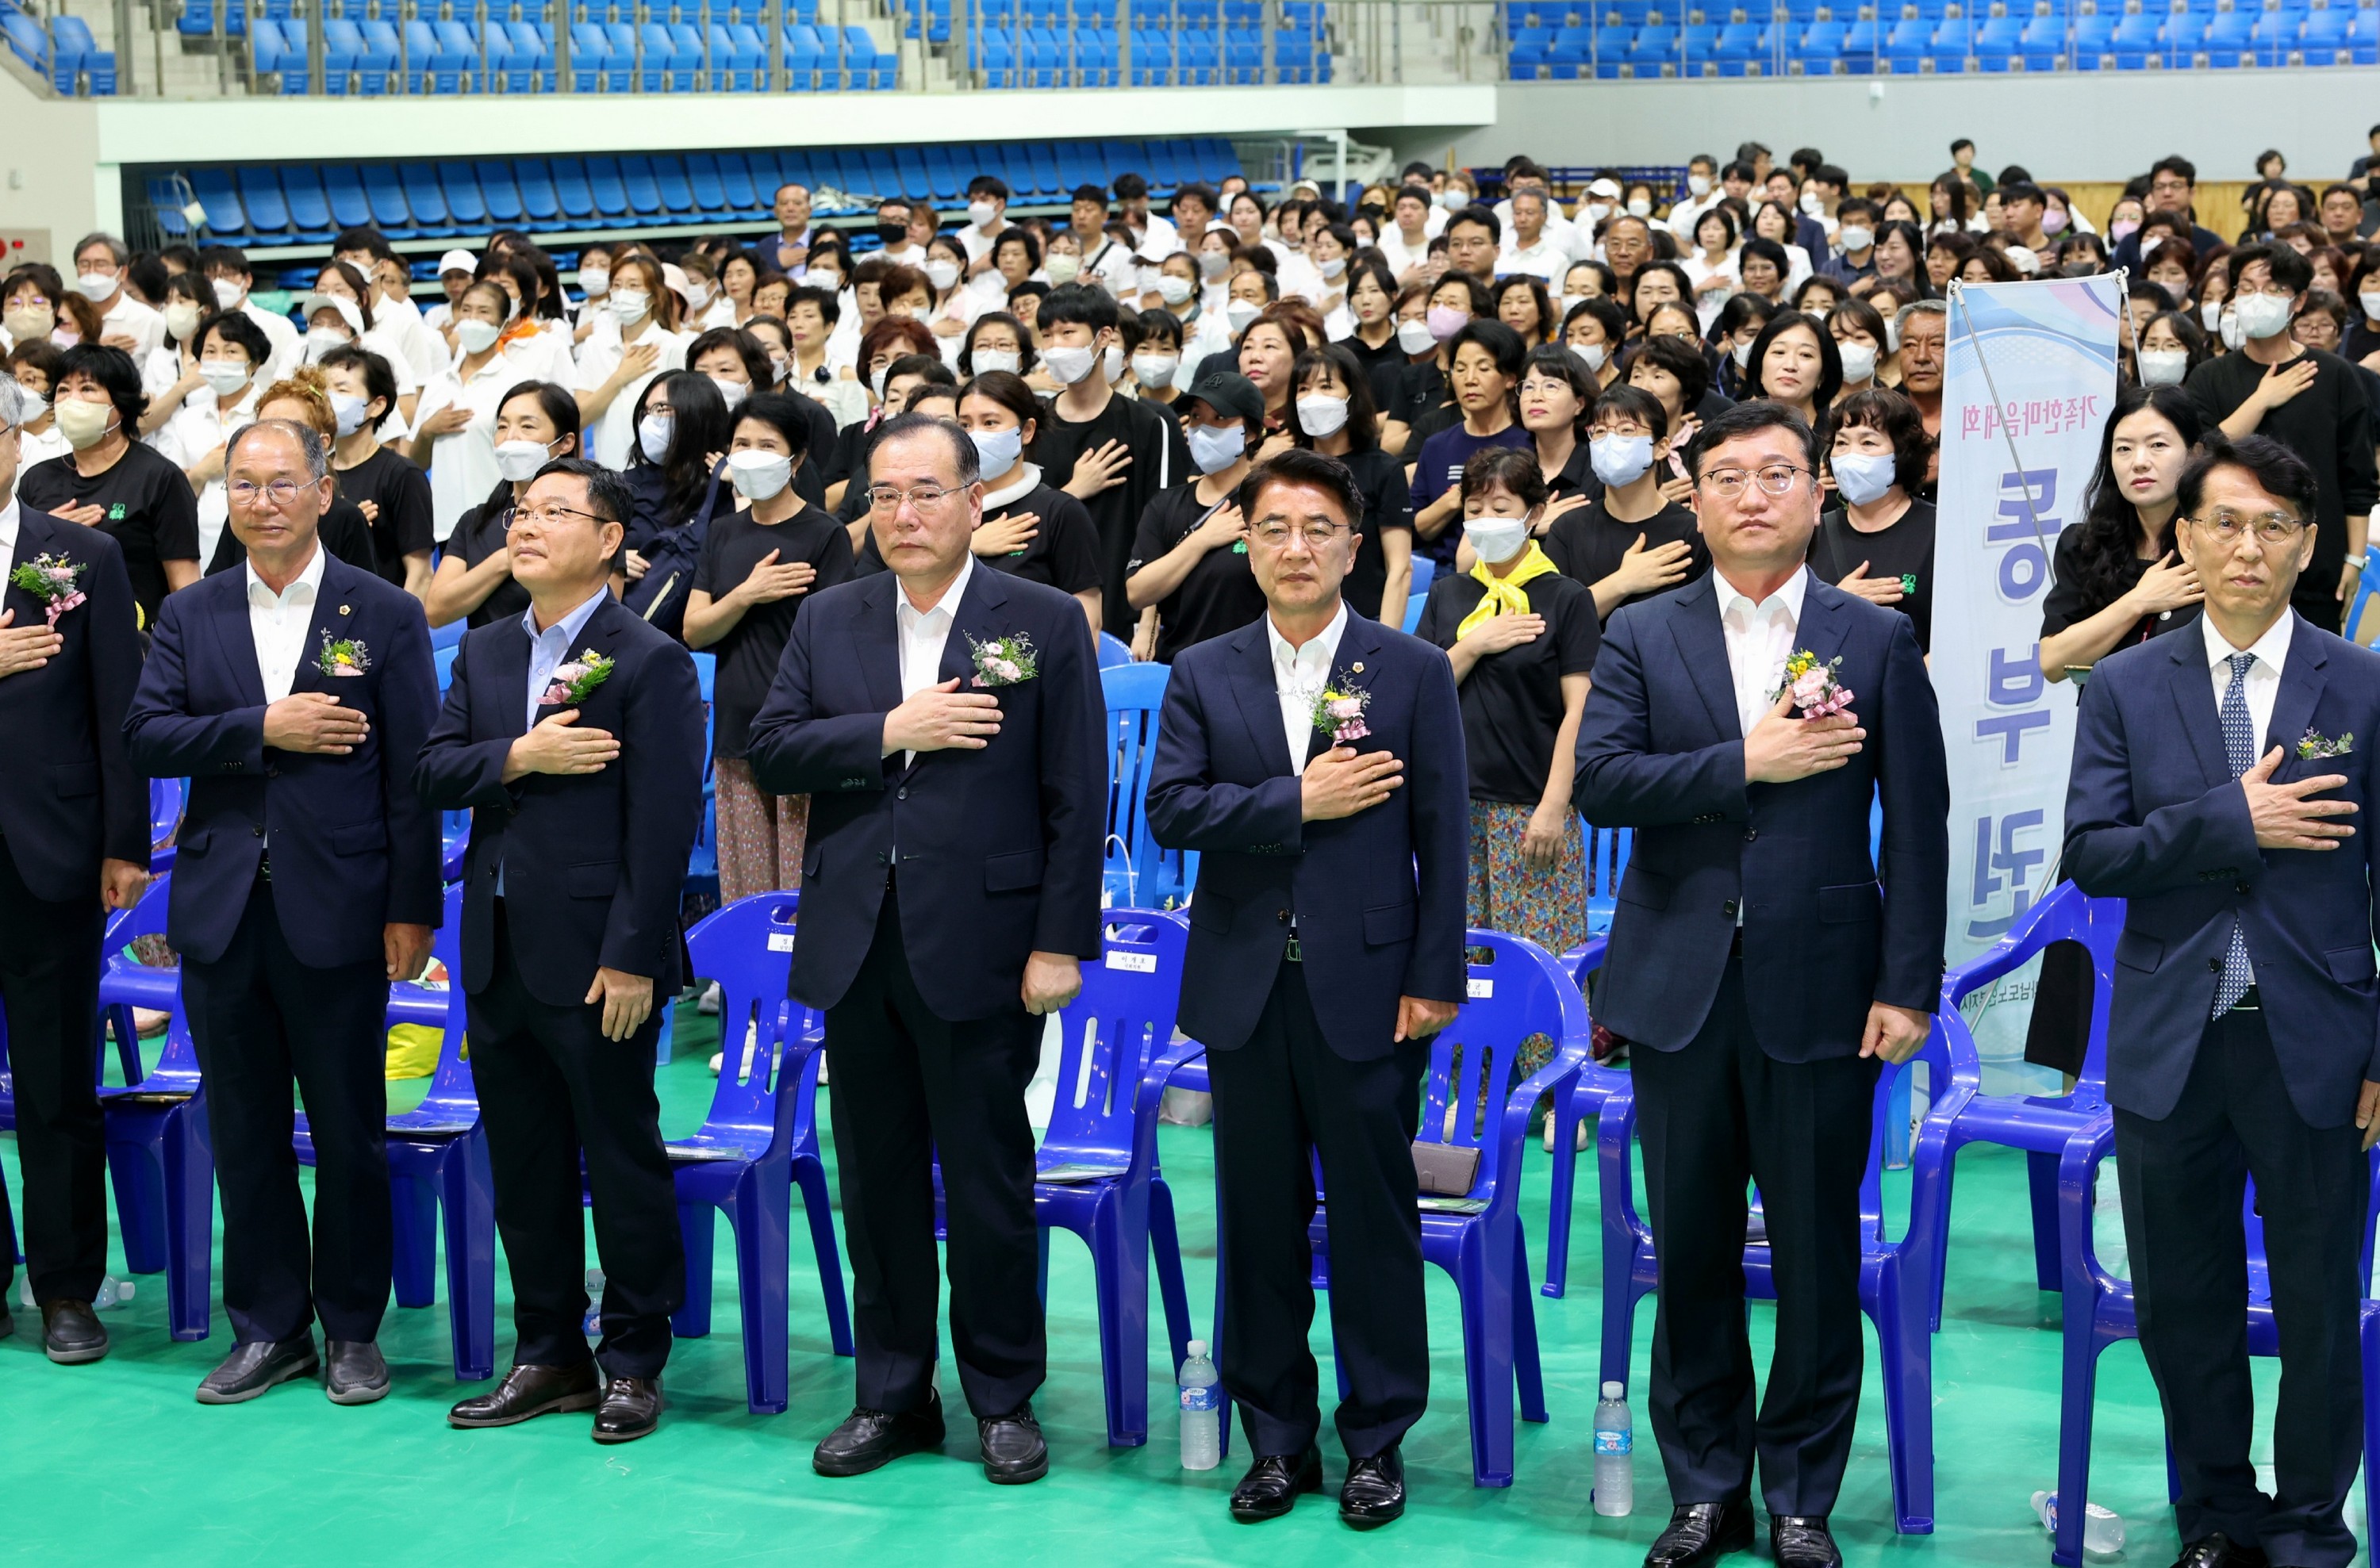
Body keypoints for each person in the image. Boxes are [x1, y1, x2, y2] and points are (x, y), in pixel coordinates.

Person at [1572, 401, 1948, 1568]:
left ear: (1816, 493)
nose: (1751, 494)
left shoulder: (1873, 639)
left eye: (1776, 473)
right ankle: (1704, 1486)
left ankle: (1801, 1494)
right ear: (1695, 500)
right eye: (1727, 476)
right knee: (1685, 1244)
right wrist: (1750, 760)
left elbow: (1921, 828)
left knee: (1816, 1248)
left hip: (1828, 985)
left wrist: (1909, 984)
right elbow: (1605, 782)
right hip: (1678, 980)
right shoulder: (1642, 631)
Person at [743, 411, 1105, 1486]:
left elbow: (1076, 796)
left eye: (927, 493)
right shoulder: (832, 615)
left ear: (974, 501)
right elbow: (772, 749)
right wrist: (890, 731)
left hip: (988, 945)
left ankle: (1004, 1395)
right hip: (857, 941)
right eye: (885, 495)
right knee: (879, 1179)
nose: (904, 514)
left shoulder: (1035, 618)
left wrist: (1058, 943)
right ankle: (892, 1392)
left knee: (990, 1180)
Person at [2063, 433, 2380, 1568]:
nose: (2248, 546)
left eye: (2273, 527)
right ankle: (2215, 1511)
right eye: (2225, 523)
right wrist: (2232, 821)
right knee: (2181, 1300)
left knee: (2318, 1303)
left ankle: (2306, 1519)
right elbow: (2093, 854)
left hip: (2320, 1042)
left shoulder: (2365, 684)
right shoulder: (2128, 685)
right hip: (2169, 1038)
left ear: (2307, 547)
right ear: (2185, 538)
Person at [1143, 447, 1466, 1528]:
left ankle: (1377, 1437)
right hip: (1242, 984)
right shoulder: (1204, 668)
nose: (1296, 547)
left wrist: (1434, 977)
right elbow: (1175, 811)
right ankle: (1275, 1437)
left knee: (1375, 1219)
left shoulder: (1410, 669)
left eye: (1319, 528)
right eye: (1275, 526)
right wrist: (1295, 800)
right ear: (1245, 539)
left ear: (1350, 543)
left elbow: (1443, 838)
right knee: (1256, 1217)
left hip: (1371, 986)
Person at [124, 418, 441, 1405]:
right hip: (221, 909)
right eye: (243, 485)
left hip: (342, 902)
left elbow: (415, 775)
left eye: (280, 483)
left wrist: (412, 907)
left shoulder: (382, 612)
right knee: (245, 1125)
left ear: (323, 492)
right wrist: (263, 727)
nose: (260, 501)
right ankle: (268, 1328)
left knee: (349, 1127)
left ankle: (352, 1328)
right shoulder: (192, 612)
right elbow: (148, 734)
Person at [417, 458, 703, 1443]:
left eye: (551, 512)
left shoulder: (649, 657)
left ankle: (633, 1359)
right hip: (496, 947)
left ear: (610, 538)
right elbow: (433, 768)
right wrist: (516, 758)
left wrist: (634, 955)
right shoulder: (489, 651)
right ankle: (546, 1353)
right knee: (525, 1159)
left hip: (598, 957)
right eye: (518, 510)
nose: (525, 526)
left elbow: (663, 825)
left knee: (619, 1154)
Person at [0, 378, 148, 1361]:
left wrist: (125, 843)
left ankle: (65, 1288)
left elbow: (119, 714)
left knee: (56, 1078)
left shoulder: (79, 553)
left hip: (44, 846)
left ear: (14, 440)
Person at [1418, 447, 1597, 977]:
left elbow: (1579, 709)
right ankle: (1462, 1064)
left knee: (1538, 962)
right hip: (1454, 807)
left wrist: (1554, 804)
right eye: (1474, 508)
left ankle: (1550, 1063)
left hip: (1531, 806)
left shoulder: (1566, 598)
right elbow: (1424, 692)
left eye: (1501, 507)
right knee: (1460, 966)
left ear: (1535, 514)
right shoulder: (1449, 594)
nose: (1485, 521)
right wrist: (1475, 644)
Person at [683, 393, 855, 903]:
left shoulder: (825, 536)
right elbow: (695, 630)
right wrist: (747, 594)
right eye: (742, 443)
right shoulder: (721, 533)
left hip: (799, 732)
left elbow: (833, 643)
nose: (751, 453)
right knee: (746, 892)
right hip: (737, 735)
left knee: (801, 893)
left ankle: (800, 985)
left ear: (796, 458)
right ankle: (751, 984)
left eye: (767, 444)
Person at [2184, 245, 2376, 636]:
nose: (2257, 299)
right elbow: (2198, 457)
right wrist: (2261, 400)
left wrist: (2354, 560)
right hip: (2229, 569)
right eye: (2247, 287)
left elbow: (2357, 479)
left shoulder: (2336, 376)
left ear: (2299, 300)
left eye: (2273, 290)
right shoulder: (2208, 377)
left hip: (2316, 571)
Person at [1029, 284, 1190, 639]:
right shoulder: (1035, 426)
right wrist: (1071, 493)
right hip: (1050, 608)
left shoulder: (1150, 423)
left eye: (1068, 332)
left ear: (1103, 337)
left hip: (1127, 608)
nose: (1056, 346)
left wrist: (1150, 617)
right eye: (1047, 335)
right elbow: (1021, 528)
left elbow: (1168, 528)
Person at [17, 344, 202, 625]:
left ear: (121, 403)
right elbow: (14, 572)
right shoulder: (36, 478)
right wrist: (42, 535)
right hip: (49, 644)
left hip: (135, 641)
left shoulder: (159, 478)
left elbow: (185, 588)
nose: (72, 400)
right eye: (63, 390)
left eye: (87, 389)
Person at [2040, 385, 2208, 682]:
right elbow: (2052, 663)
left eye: (2157, 445)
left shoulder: (2216, 544)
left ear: (2195, 454)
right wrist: (2139, 600)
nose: (2139, 461)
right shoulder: (2085, 545)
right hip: (2109, 723)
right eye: (2124, 449)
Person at [423, 381, 601, 632]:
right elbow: (435, 611)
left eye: (527, 426)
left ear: (566, 442)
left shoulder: (589, 515)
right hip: (489, 665)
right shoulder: (475, 521)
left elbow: (601, 610)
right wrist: (503, 561)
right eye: (502, 427)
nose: (510, 437)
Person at [1126, 370, 1265, 663]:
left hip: (1250, 667)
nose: (1203, 429)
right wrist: (1201, 541)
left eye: (1220, 418)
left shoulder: (1267, 503)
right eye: (1196, 418)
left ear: (1251, 433)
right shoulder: (1164, 505)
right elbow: (1138, 591)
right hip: (1176, 669)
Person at [1546, 383, 1707, 621]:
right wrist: (1623, 582)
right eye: (1600, 431)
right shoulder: (1567, 529)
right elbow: (1553, 622)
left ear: (1662, 447)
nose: (1611, 441)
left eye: (1626, 430)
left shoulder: (1692, 532)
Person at [202, 371, 378, 579]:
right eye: (264, 428)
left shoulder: (345, 519)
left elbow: (361, 595)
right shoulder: (246, 513)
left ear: (323, 444)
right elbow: (216, 587)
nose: (263, 506)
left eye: (289, 430)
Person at [1287, 345, 1413, 627]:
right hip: (1293, 624)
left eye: (1326, 386)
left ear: (1352, 395)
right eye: (1303, 388)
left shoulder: (1384, 469)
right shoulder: (1285, 469)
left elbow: (1400, 568)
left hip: (1365, 622)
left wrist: (1385, 641)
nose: (1312, 398)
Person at [1806, 388, 1938, 652]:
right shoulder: (1810, 533)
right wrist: (1837, 601)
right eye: (1842, 443)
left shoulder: (1940, 530)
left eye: (1868, 443)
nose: (1850, 456)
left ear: (1902, 452)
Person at [313, 346, 434, 594]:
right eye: (323, 390)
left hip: (376, 615)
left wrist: (400, 628)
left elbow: (420, 573)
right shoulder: (314, 470)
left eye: (342, 390)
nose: (328, 398)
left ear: (377, 405)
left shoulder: (402, 475)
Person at [1411, 320, 1530, 569]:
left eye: (1483, 368)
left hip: (1514, 570)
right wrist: (1456, 498)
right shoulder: (1437, 446)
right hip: (1445, 575)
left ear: (1510, 378)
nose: (1470, 380)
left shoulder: (1529, 443)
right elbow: (1417, 527)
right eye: (1460, 368)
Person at [574, 255, 691, 471]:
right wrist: (620, 378)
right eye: (617, 285)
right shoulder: (595, 345)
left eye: (633, 286)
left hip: (658, 472)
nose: (623, 293)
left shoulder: (672, 347)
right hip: (606, 471)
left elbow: (685, 418)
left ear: (655, 295)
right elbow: (579, 418)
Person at [71, 233, 165, 362]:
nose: (91, 272)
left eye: (101, 264)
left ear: (122, 273)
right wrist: (95, 350)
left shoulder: (150, 321)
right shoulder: (66, 317)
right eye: (84, 264)